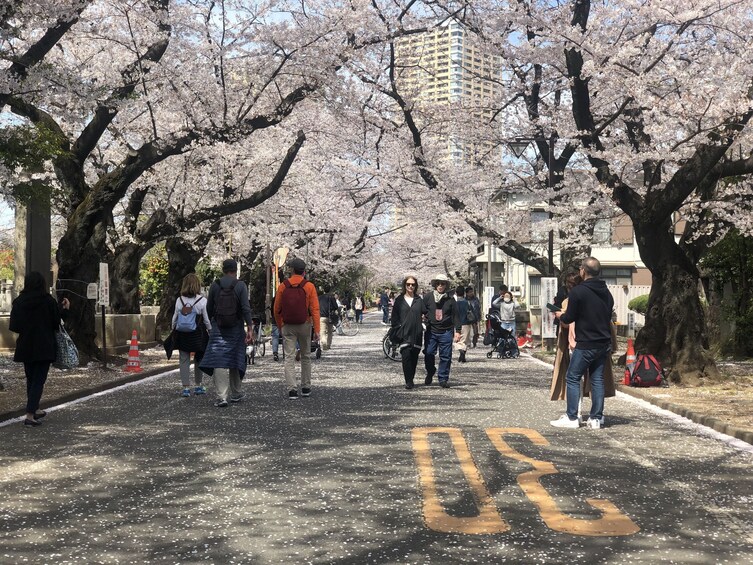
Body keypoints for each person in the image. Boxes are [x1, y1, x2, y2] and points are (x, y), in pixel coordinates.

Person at [551, 257, 614, 429]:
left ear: (583, 271)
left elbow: (569, 317)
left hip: (585, 343)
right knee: (597, 379)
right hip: (603, 343)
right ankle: (596, 418)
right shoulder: (607, 293)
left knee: (572, 377)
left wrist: (559, 316)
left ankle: (572, 417)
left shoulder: (578, 292)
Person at [9, 271, 70, 427]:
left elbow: (14, 326)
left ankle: (34, 409)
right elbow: (56, 322)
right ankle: (30, 415)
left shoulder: (18, 302)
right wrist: (64, 309)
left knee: (31, 379)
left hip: (26, 345)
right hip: (44, 345)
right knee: (38, 381)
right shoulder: (47, 301)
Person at [199, 259, 254, 408]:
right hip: (236, 327)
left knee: (219, 360)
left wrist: (209, 326)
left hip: (218, 328)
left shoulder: (215, 285)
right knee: (236, 358)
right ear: (235, 270)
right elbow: (245, 308)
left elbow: (209, 308)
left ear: (223, 270)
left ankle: (222, 396)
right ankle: (236, 393)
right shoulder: (241, 285)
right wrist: (249, 327)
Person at [274, 258, 320, 399]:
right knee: (306, 355)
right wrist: (317, 330)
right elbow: (315, 309)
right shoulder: (309, 286)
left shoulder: (283, 286)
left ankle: (292, 389)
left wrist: (280, 324)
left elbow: (276, 309)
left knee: (289, 357)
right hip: (305, 324)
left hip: (288, 325)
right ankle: (306, 387)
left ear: (292, 270)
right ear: (304, 271)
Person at [171, 273, 211, 397]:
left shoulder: (179, 300)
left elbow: (175, 317)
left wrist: (173, 328)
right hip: (198, 333)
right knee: (199, 358)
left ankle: (186, 388)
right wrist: (210, 330)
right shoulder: (202, 300)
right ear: (197, 285)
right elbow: (206, 319)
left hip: (183, 333)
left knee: (184, 359)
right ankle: (198, 386)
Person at [423, 274, 462, 388]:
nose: (440, 286)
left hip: (446, 331)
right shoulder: (428, 297)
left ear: (446, 285)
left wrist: (458, 331)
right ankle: (430, 371)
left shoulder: (450, 299)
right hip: (431, 330)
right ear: (435, 284)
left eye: (443, 283)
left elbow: (456, 315)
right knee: (429, 353)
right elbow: (422, 310)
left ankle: (443, 378)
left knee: (446, 356)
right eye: (438, 283)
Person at [390, 276, 425, 389]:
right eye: (408, 284)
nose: (410, 286)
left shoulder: (419, 300)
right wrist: (398, 327)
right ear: (405, 285)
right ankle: (408, 381)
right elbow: (394, 317)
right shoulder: (399, 300)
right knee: (406, 356)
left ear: (416, 286)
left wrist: (424, 323)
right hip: (404, 333)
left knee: (414, 357)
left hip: (417, 333)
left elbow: (426, 313)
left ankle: (411, 378)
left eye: (413, 284)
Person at [454, 286, 472, 363]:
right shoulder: (467, 302)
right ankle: (463, 353)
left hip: (457, 323)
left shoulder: (454, 303)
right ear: (464, 293)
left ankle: (461, 351)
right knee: (465, 340)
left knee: (458, 340)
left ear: (456, 293)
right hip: (466, 323)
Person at [318, 286, 338, 351]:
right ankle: (328, 345)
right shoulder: (332, 297)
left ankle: (324, 343)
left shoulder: (319, 298)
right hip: (330, 317)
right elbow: (336, 307)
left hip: (322, 316)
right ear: (330, 290)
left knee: (322, 331)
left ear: (324, 290)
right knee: (330, 332)